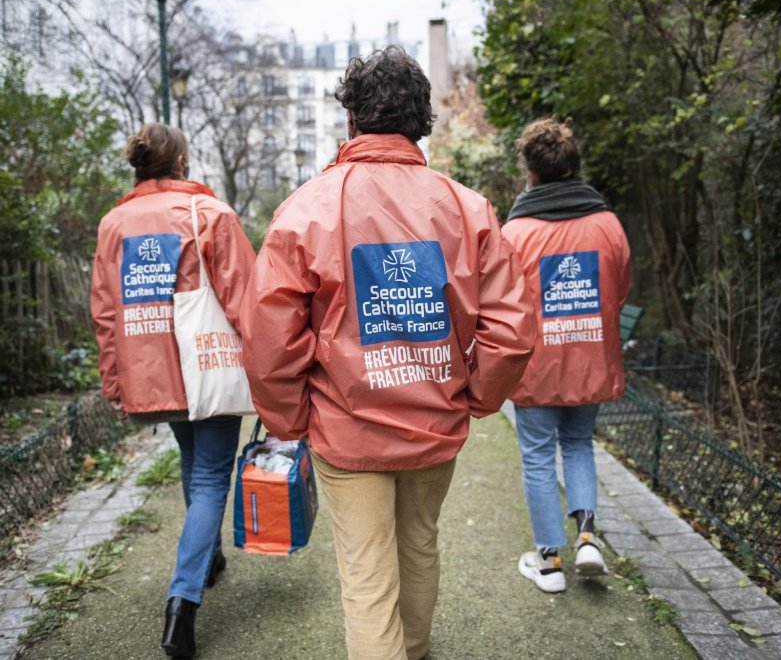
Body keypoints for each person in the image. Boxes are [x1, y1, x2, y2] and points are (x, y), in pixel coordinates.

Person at [239, 46, 535, 660]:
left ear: (351, 120)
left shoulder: (305, 210)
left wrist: (291, 420)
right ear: (422, 121)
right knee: (419, 545)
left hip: (348, 429)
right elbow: (512, 329)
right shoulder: (468, 208)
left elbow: (269, 343)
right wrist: (475, 397)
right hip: (436, 420)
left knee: (367, 573)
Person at [90, 123, 256, 658]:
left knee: (193, 463)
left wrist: (115, 380)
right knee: (210, 478)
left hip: (150, 371)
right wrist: (271, 370)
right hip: (209, 366)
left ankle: (205, 560)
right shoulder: (210, 215)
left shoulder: (114, 224)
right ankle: (181, 605)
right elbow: (247, 301)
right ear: (181, 160)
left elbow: (105, 311)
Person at [501, 117, 632, 593]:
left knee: (536, 457)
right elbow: (619, 292)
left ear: (530, 173)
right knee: (578, 445)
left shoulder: (516, 233)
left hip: (536, 367)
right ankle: (589, 537)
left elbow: (502, 303)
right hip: (590, 357)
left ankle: (549, 561)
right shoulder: (608, 224)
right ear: (575, 168)